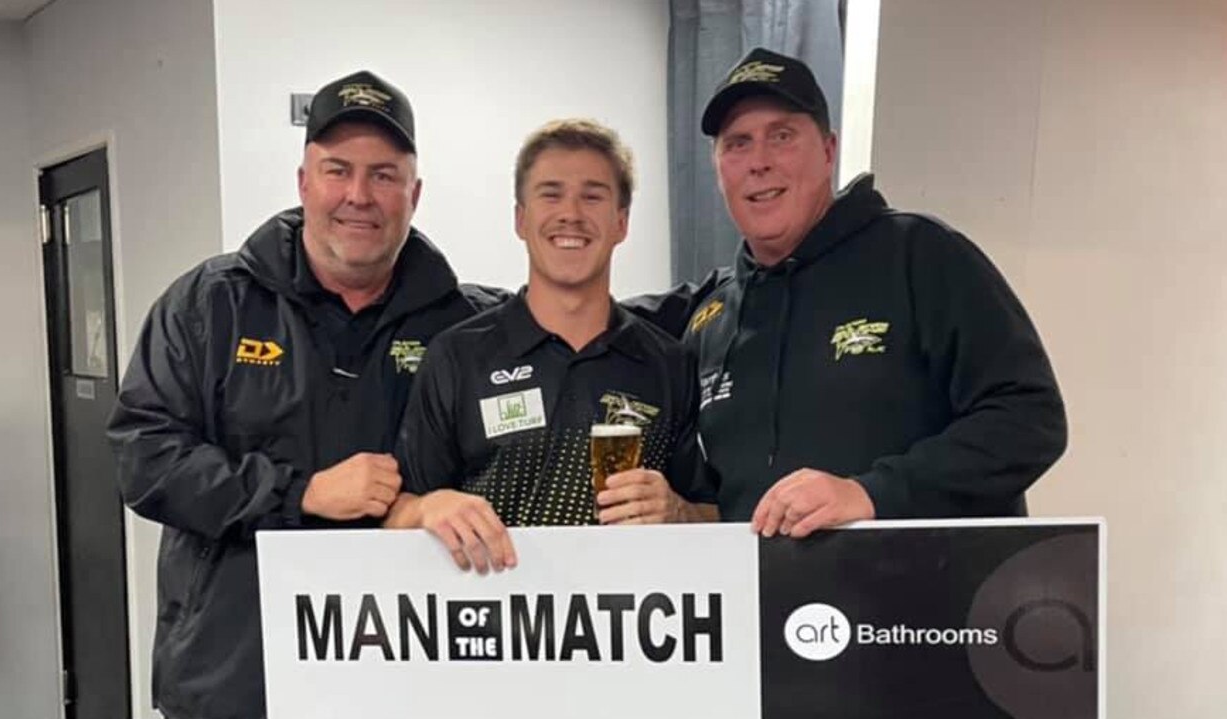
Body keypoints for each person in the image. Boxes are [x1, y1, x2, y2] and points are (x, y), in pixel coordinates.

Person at [106, 70, 499, 719]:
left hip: (408, 676)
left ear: (414, 192)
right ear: (303, 181)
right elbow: (143, 458)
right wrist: (302, 493)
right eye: (337, 170)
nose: (358, 195)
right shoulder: (210, 305)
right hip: (236, 679)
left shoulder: (466, 324)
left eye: (383, 174)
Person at [681, 47, 1067, 538]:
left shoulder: (920, 255)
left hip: (924, 603)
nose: (758, 161)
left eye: (782, 136)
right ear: (718, 169)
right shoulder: (710, 317)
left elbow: (1030, 420)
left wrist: (872, 494)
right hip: (766, 607)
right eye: (737, 143)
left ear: (828, 150)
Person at [387, 119, 717, 573]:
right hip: (493, 630)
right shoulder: (458, 357)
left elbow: (715, 520)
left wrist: (678, 512)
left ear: (621, 222)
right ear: (520, 219)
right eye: (551, 193)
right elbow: (394, 515)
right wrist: (427, 509)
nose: (571, 214)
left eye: (593, 195)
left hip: (627, 630)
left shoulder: (669, 363)